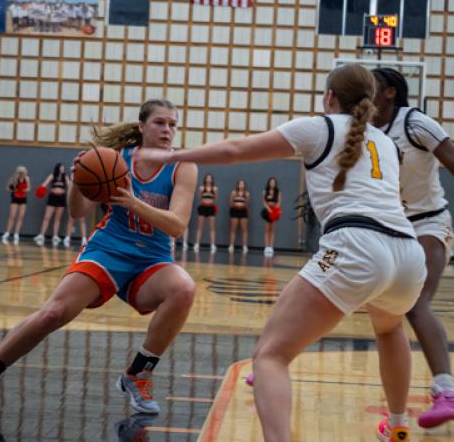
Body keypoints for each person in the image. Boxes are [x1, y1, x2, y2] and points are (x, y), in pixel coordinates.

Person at [136, 65, 426, 441]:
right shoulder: (385, 142)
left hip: (358, 245)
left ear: (330, 97)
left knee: (270, 356)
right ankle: (399, 424)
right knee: (389, 329)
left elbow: (236, 150)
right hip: (407, 251)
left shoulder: (318, 127)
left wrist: (168, 158)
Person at [0, 99, 198, 417]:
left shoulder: (184, 166)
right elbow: (77, 212)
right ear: (142, 127)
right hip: (107, 250)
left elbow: (177, 225)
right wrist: (77, 181)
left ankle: (138, 375)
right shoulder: (113, 160)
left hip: (152, 259)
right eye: (160, 123)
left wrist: (133, 202)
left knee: (184, 288)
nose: (167, 130)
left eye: (172, 124)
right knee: (52, 314)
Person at [372, 67, 454, 428]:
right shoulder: (366, 131)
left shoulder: (416, 123)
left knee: (417, 301)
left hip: (430, 222)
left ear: (390, 92)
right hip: (391, 226)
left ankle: (446, 389)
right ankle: (275, 359)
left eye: (371, 86)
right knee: (344, 290)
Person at [33, 163, 70, 247]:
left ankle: (55, 236)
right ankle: (41, 235)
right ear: (58, 168)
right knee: (47, 217)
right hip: (52, 198)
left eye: (63, 167)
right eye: (61, 167)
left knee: (58, 218)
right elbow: (44, 184)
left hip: (61, 198)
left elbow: (69, 186)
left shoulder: (65, 177)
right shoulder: (52, 175)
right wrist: (41, 189)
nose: (63, 169)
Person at [1, 166, 30, 245]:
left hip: (23, 199)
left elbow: (28, 188)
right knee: (12, 216)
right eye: (24, 172)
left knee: (20, 217)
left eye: (25, 172)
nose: (25, 173)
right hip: (15, 198)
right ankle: (7, 233)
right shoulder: (13, 178)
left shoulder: (26, 178)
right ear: (20, 172)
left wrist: (23, 189)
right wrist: (15, 189)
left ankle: (16, 234)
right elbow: (7, 188)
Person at [193, 174, 218, 253]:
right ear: (205, 179)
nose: (208, 179)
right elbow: (200, 198)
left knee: (212, 228)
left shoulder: (215, 189)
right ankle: (197, 244)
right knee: (200, 227)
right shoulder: (201, 188)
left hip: (211, 209)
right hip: (203, 208)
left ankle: (212, 245)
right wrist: (205, 202)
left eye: (210, 178)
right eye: (207, 178)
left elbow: (215, 199)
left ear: (212, 180)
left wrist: (210, 203)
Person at [261, 177, 282, 257]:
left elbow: (279, 202)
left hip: (274, 211)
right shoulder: (265, 191)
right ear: (269, 183)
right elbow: (264, 202)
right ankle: (266, 247)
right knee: (267, 230)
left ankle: (271, 247)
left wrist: (275, 210)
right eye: (271, 182)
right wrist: (269, 209)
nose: (272, 184)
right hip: (267, 211)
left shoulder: (278, 192)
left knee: (272, 230)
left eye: (273, 182)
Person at [228, 179, 250, 254]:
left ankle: (244, 246)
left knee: (244, 229)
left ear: (244, 185)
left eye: (242, 184)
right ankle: (231, 245)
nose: (241, 185)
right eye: (240, 184)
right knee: (233, 229)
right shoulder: (234, 192)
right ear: (238, 185)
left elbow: (247, 203)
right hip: (234, 211)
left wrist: (242, 207)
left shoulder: (246, 193)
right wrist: (236, 206)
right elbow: (231, 202)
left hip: (243, 211)